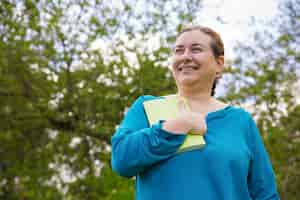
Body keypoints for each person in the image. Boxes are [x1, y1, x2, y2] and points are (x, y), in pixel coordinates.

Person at [111, 25, 280, 200]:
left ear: (219, 63)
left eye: (196, 49)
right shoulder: (147, 107)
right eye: (179, 50)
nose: (185, 56)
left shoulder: (241, 121)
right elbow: (121, 160)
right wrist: (178, 126)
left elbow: (265, 193)